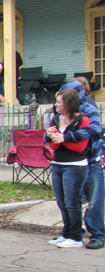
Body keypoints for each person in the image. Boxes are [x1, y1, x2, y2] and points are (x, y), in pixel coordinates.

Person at [56, 79, 103, 249]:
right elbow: (52, 136)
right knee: (70, 200)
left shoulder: (88, 109)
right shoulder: (62, 115)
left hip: (90, 160)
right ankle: (73, 232)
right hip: (72, 162)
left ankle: (98, 235)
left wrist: (67, 137)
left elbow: (95, 130)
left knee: (94, 199)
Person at [46, 89, 91, 248]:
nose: (56, 104)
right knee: (62, 202)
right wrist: (54, 135)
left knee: (72, 202)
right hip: (58, 164)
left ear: (68, 103)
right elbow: (53, 146)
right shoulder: (57, 119)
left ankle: (76, 237)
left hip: (75, 166)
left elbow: (80, 147)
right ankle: (66, 234)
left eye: (59, 101)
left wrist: (62, 138)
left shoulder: (83, 120)